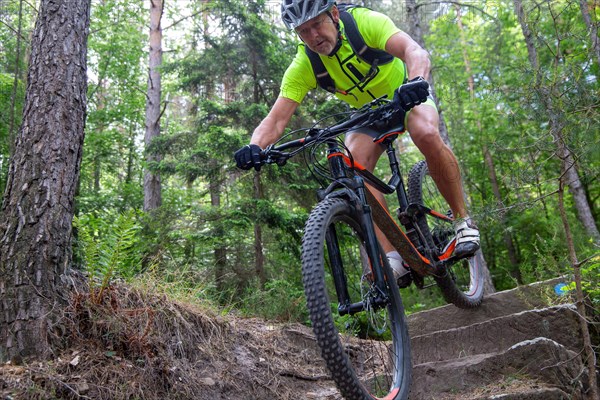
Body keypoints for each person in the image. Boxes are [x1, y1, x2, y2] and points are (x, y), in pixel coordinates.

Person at [234, 0, 480, 287]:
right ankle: (392, 258)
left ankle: (462, 222)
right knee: (354, 173)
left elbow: (415, 51)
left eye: (317, 24)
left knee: (424, 132)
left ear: (334, 14)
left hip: (406, 92)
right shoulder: (305, 63)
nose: (313, 36)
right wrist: (254, 146)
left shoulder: (363, 24)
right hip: (367, 114)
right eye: (303, 31)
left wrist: (415, 81)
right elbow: (276, 120)